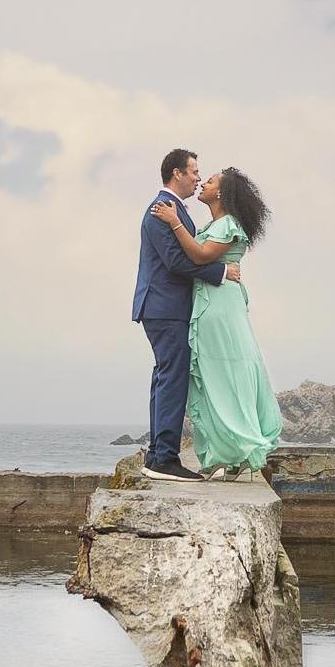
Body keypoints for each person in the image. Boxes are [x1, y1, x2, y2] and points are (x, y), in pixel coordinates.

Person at [149, 166, 281, 479]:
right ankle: (231, 454)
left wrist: (175, 223)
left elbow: (200, 255)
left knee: (226, 372)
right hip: (211, 302)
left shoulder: (229, 224)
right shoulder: (216, 223)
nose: (202, 183)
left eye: (208, 181)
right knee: (215, 377)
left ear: (221, 193)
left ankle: (242, 448)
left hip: (219, 307)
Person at [132, 148, 242, 482]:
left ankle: (158, 455)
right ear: (177, 173)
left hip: (166, 307)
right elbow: (177, 263)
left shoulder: (175, 210)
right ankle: (164, 458)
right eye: (194, 172)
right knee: (173, 378)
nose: (198, 177)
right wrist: (222, 273)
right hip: (164, 307)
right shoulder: (161, 209)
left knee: (166, 377)